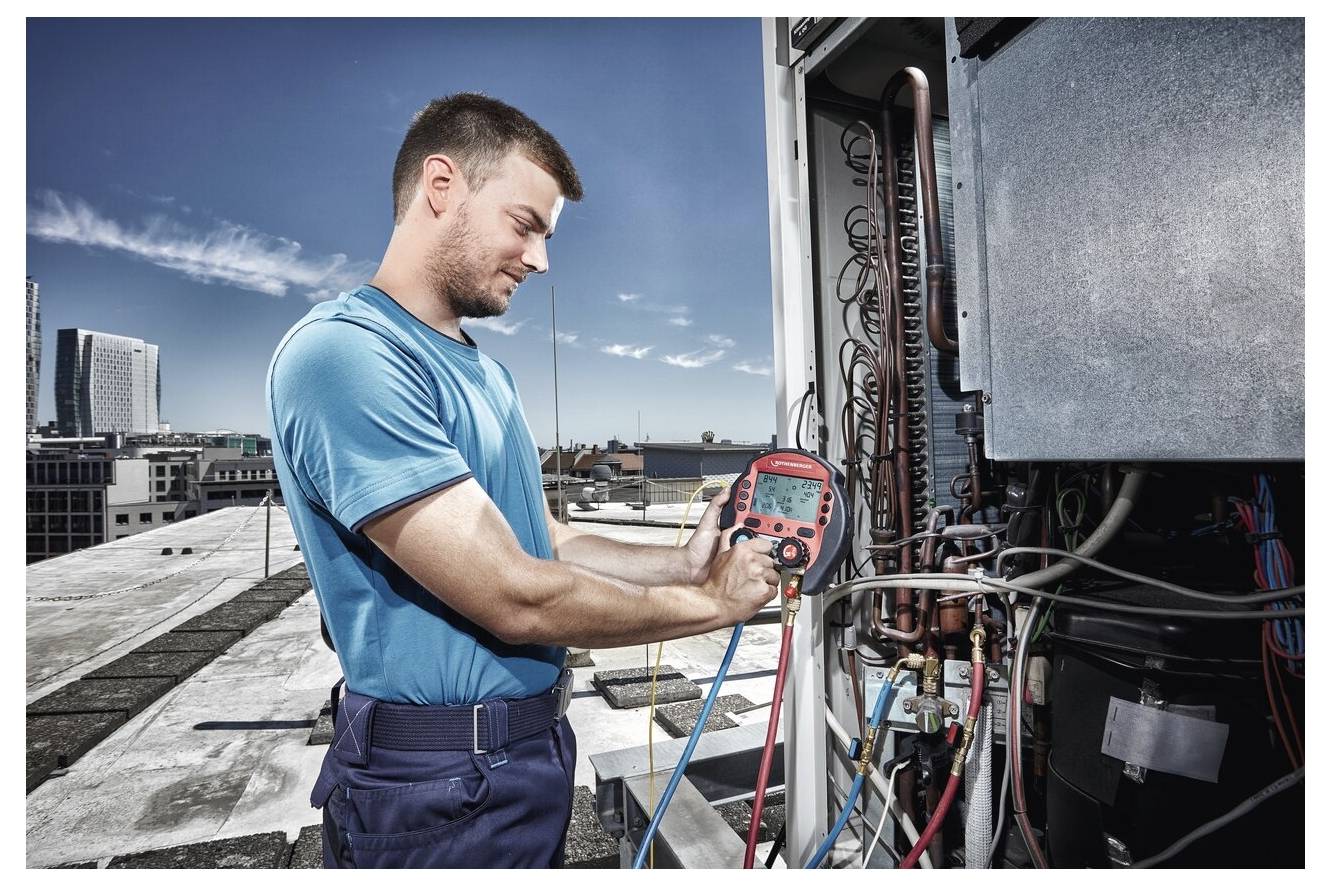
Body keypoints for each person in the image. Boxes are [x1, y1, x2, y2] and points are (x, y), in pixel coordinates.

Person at [266, 93, 779, 869]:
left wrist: (681, 566)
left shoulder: (485, 374)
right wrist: (711, 605)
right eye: (524, 224)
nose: (539, 260)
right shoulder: (347, 356)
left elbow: (547, 542)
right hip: (437, 785)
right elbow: (513, 595)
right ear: (442, 185)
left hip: (522, 757)